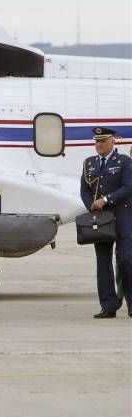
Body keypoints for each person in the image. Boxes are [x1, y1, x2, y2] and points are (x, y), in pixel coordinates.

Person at [80, 127, 132, 318]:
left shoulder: (124, 162)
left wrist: (106, 200)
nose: (99, 145)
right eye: (96, 141)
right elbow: (84, 190)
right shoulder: (89, 164)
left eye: (103, 141)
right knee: (103, 262)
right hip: (100, 219)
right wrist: (91, 205)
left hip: (122, 216)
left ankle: (131, 303)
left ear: (112, 142)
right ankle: (108, 306)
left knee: (126, 259)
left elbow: (128, 187)